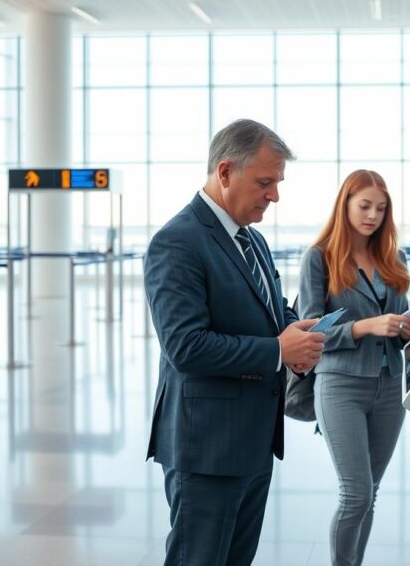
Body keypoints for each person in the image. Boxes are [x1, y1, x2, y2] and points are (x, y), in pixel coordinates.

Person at [143, 119, 325, 566]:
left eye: (277, 183)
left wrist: (297, 332)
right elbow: (185, 347)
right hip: (207, 450)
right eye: (265, 182)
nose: (275, 195)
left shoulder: (253, 239)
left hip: (254, 441)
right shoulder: (177, 243)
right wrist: (278, 352)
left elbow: (272, 308)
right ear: (225, 172)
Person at [297, 169, 410, 566]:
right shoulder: (318, 258)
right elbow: (310, 330)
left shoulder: (394, 258)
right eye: (365, 205)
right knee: (355, 493)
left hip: (389, 384)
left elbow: (398, 321)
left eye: (381, 208)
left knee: (372, 491)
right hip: (340, 384)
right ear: (345, 205)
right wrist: (364, 326)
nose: (372, 215)